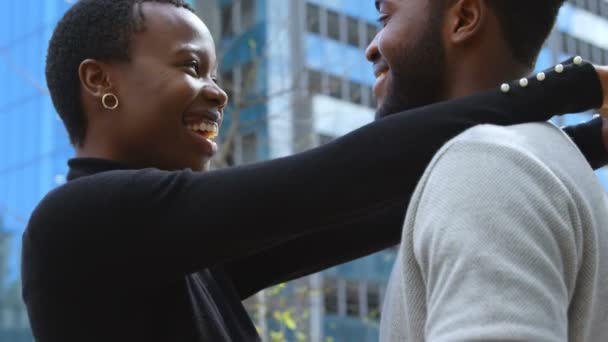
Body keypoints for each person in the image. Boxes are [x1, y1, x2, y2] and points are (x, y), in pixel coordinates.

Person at [21, 0, 608, 341]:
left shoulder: (183, 257)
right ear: (100, 81)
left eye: (216, 74)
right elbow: (340, 174)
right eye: (191, 66)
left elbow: (381, 205)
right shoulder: (79, 223)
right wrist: (573, 84)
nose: (217, 93)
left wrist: (590, 141)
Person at [370, 0, 608, 340]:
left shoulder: (482, 165)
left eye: (385, 18)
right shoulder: (550, 167)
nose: (371, 48)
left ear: (464, 18)